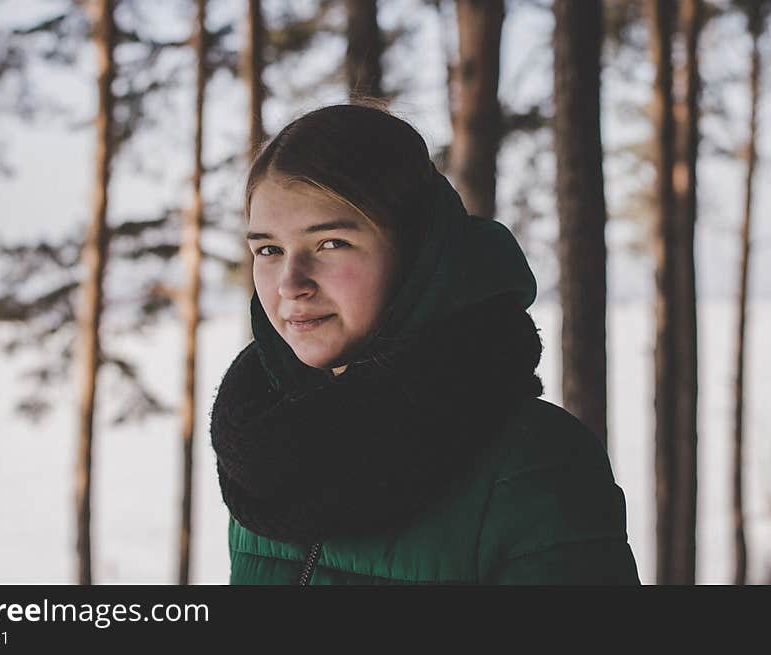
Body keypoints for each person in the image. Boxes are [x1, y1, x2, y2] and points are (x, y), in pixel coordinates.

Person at [210, 103, 641, 585]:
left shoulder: (536, 465)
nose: (291, 282)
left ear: (418, 255)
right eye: (268, 250)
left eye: (331, 243)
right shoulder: (267, 452)